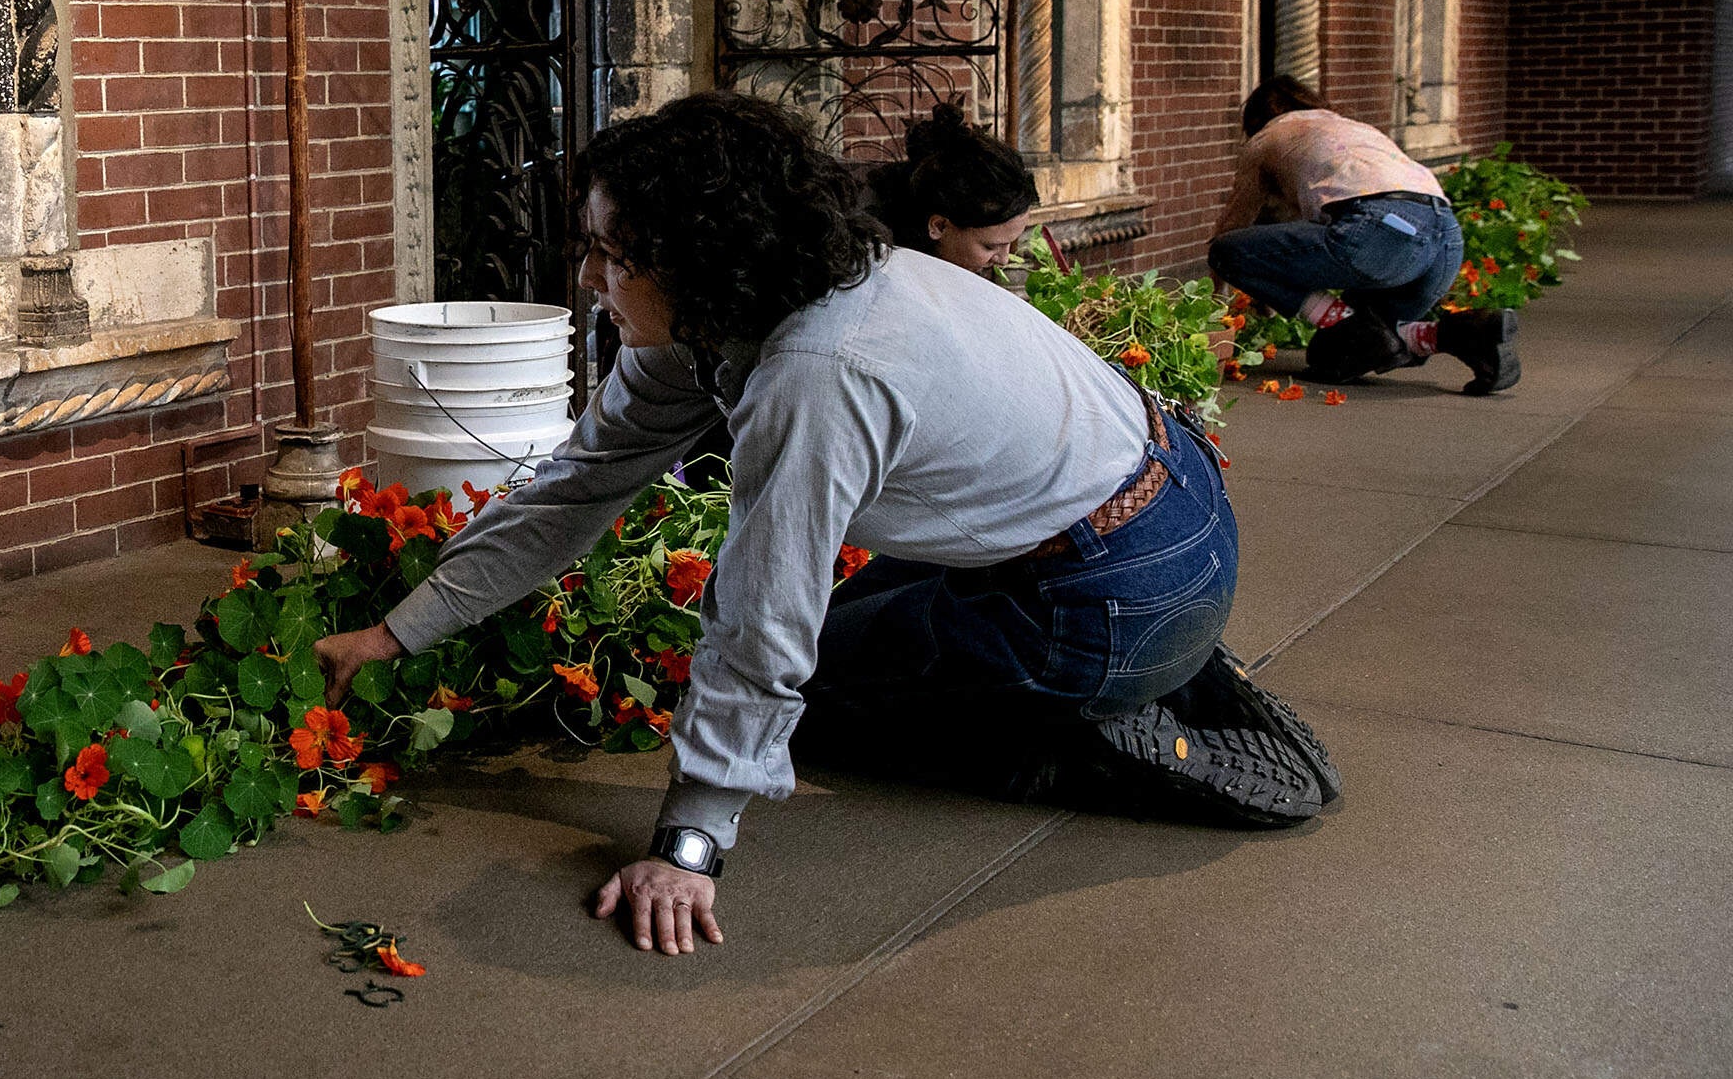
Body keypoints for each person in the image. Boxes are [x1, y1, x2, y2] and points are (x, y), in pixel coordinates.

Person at [314, 92, 1334, 958]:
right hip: (1159, 506)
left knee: (815, 703)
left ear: (695, 256)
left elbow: (762, 618)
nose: (588, 278)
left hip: (1121, 577)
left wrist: (690, 845)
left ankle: (1095, 726)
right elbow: (577, 485)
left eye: (609, 253)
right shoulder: (728, 307)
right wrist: (398, 628)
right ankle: (1151, 656)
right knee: (830, 658)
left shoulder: (819, 369)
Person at [1207, 75, 1518, 392]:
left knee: (1226, 251)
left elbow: (1233, 229)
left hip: (1379, 233)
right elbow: (1294, 243)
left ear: (1257, 118)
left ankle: (1349, 324)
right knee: (1331, 355)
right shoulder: (1354, 129)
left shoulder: (1266, 138)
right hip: (1444, 243)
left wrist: (1216, 304)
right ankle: (1472, 335)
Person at [867, 103, 1038, 275]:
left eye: (1009, 244)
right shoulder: (882, 268)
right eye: (990, 246)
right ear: (939, 226)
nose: (1003, 259)